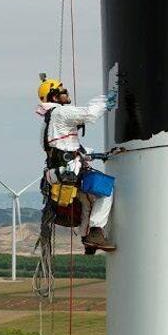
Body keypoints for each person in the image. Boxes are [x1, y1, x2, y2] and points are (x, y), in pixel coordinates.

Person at [35, 75, 118, 252]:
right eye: (63, 91)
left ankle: (87, 238)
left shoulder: (48, 122)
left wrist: (91, 155)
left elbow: (63, 148)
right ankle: (95, 233)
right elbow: (89, 113)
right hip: (68, 171)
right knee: (106, 191)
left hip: (57, 173)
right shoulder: (60, 113)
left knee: (87, 201)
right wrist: (107, 100)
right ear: (54, 96)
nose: (67, 93)